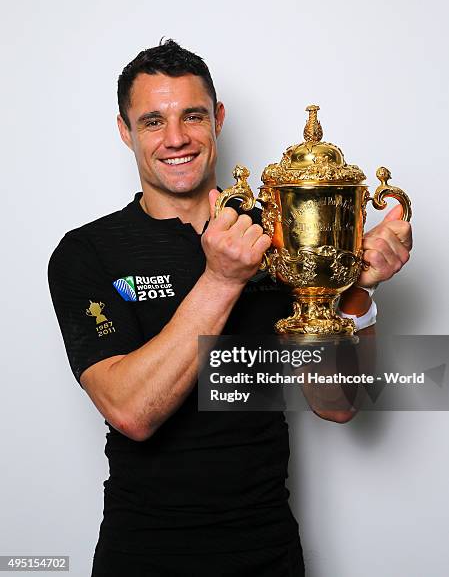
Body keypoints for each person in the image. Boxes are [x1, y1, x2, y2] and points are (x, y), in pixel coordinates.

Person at [48, 40, 412, 576]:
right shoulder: (88, 252)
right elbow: (130, 412)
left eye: (192, 116)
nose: (176, 139)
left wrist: (354, 289)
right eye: (152, 121)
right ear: (125, 131)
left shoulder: (284, 237)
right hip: (144, 555)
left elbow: (338, 403)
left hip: (268, 553)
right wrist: (222, 279)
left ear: (217, 118)